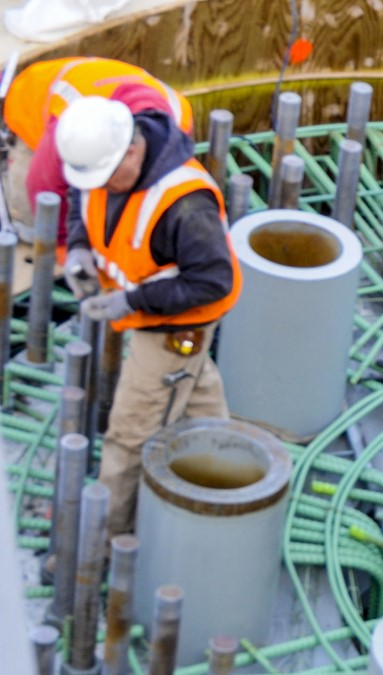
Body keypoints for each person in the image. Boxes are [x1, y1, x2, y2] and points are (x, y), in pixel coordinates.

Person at [57, 95, 241, 537]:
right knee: (198, 400)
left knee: (129, 435)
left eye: (107, 177)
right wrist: (80, 246)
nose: (100, 186)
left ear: (133, 151)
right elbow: (82, 196)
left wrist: (133, 301)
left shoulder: (183, 203)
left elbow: (214, 280)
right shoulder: (103, 163)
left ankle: (106, 545)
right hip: (153, 317)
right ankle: (230, 478)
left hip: (174, 327)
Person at [3, 57, 194, 250]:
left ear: (131, 152)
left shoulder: (179, 124)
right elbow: (44, 187)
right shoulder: (67, 133)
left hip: (90, 86)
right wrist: (63, 247)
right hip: (31, 100)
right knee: (33, 226)